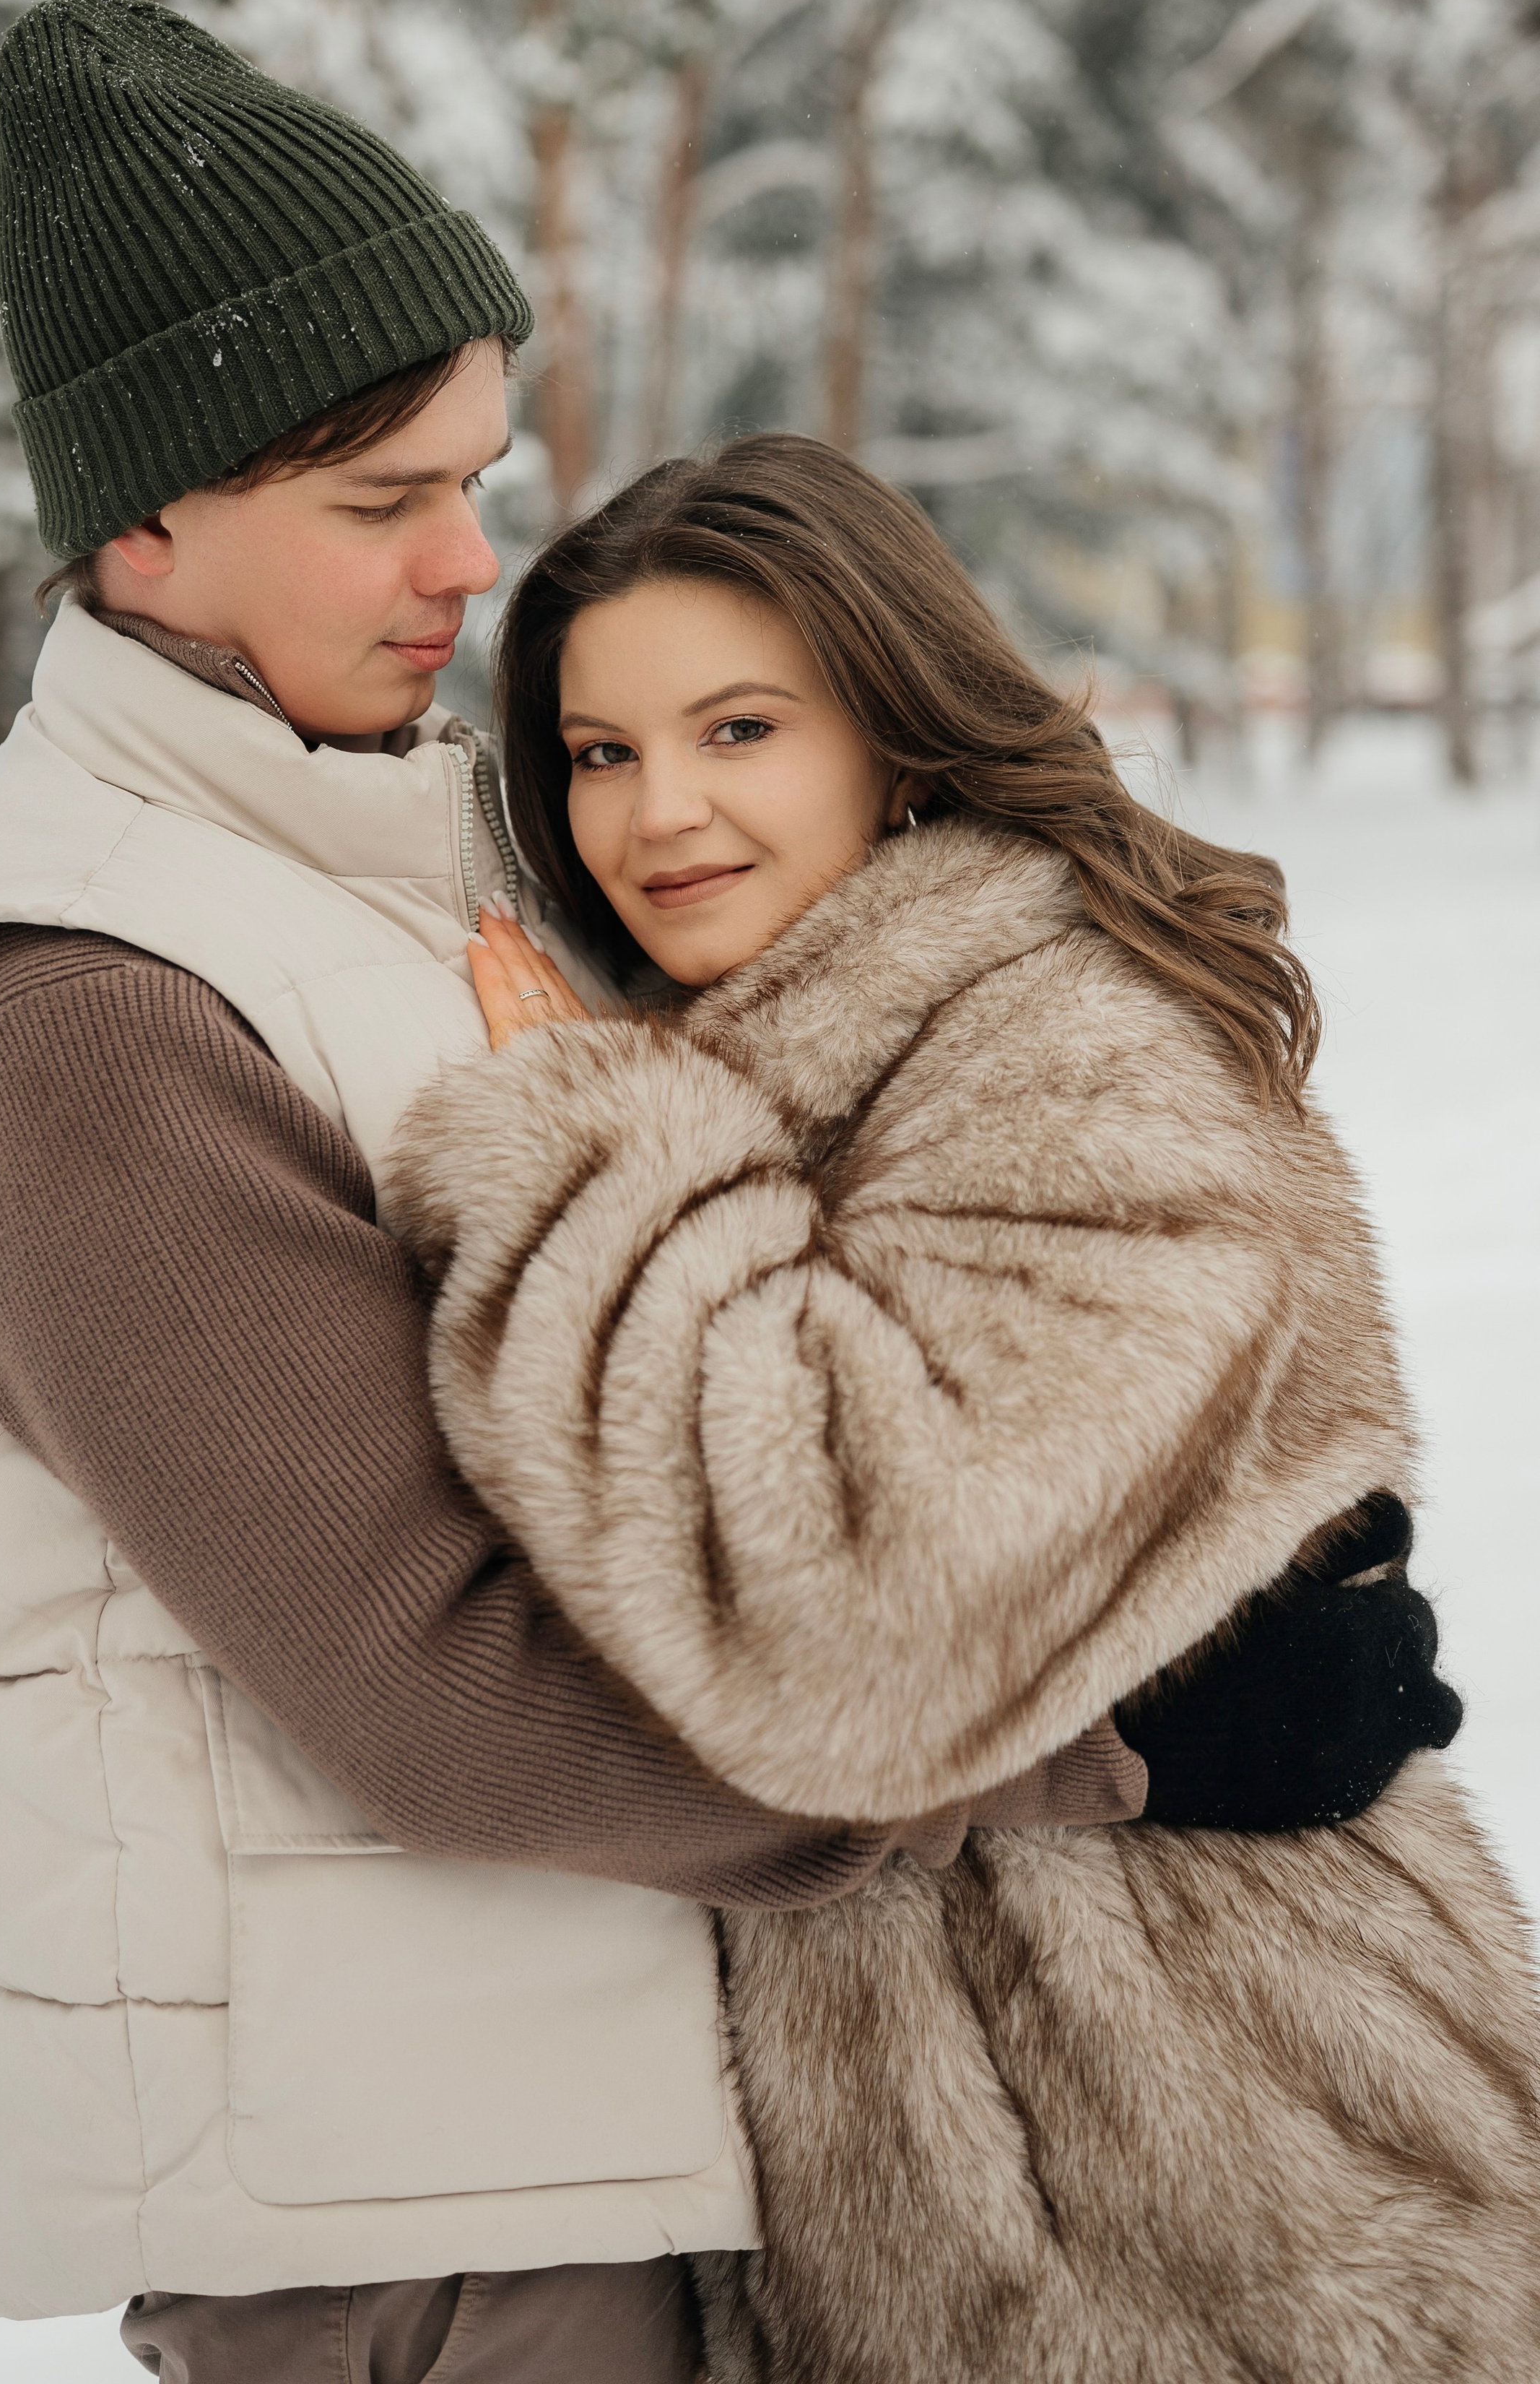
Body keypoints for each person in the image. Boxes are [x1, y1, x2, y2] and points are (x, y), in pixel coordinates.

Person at [0, 0, 1461, 2384]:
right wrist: (1125, 1735)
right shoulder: (90, 1009)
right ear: (144, 519)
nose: (464, 562)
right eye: (379, 506)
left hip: (614, 2124)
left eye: (476, 475)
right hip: (414, 2208)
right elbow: (448, 1682)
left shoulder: (398, 858)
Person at [384, 434, 1539, 2383]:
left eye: (739, 727)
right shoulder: (790, 1064)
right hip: (988, 2218)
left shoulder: (1065, 1047)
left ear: (896, 734)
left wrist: (594, 1158)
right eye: (599, 754)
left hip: (1230, 2203)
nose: (659, 813)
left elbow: (853, 1622)